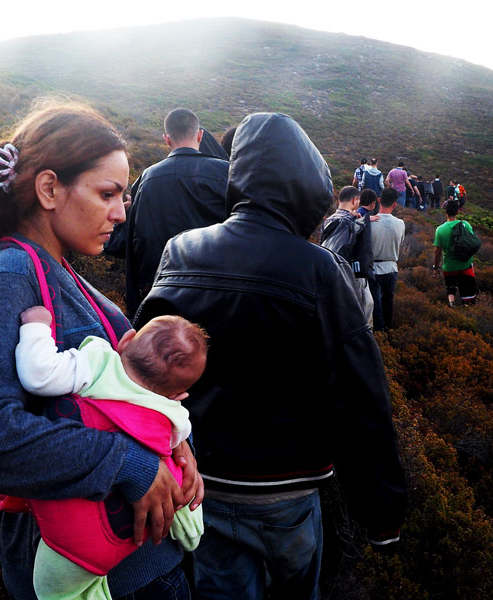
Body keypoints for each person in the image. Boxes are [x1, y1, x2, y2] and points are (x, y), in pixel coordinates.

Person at [0, 102, 201, 600]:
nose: (120, 213)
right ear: (49, 189)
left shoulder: (56, 267)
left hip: (135, 563)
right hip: (99, 577)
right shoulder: (10, 277)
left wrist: (176, 445)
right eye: (107, 194)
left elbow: (122, 386)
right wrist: (129, 464)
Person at [135, 112, 408, 600]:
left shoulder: (180, 250)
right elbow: (362, 394)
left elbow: (140, 367)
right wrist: (382, 514)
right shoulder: (318, 268)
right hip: (287, 488)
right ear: (306, 186)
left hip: (199, 481)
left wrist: (141, 464)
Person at [16, 307, 208, 600]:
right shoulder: (171, 409)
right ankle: (192, 531)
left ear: (125, 340)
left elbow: (39, 374)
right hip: (145, 545)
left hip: (78, 539)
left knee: (58, 590)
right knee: (179, 477)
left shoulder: (96, 362)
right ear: (178, 395)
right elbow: (179, 448)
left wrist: (36, 327)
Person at [104, 108, 229, 317]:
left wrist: (122, 218)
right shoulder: (224, 173)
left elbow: (131, 240)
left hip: (160, 292)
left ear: (166, 139)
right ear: (199, 135)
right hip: (215, 290)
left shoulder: (147, 179)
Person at [320, 186, 374, 327]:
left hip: (328, 275)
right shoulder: (353, 222)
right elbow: (361, 251)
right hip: (352, 277)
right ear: (355, 200)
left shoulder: (328, 220)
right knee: (361, 318)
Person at [369, 187, 405, 330]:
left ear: (379, 200)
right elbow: (400, 243)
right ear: (394, 204)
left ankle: (377, 333)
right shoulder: (400, 223)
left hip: (373, 268)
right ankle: (387, 331)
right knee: (388, 302)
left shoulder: (370, 222)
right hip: (391, 267)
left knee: (375, 304)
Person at [433, 200, 478, 307]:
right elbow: (471, 242)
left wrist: (436, 267)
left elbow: (437, 252)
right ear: (457, 212)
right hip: (466, 264)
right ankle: (468, 310)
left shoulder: (440, 230)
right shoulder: (466, 225)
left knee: (450, 288)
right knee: (468, 294)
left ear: (446, 212)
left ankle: (451, 304)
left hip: (449, 266)